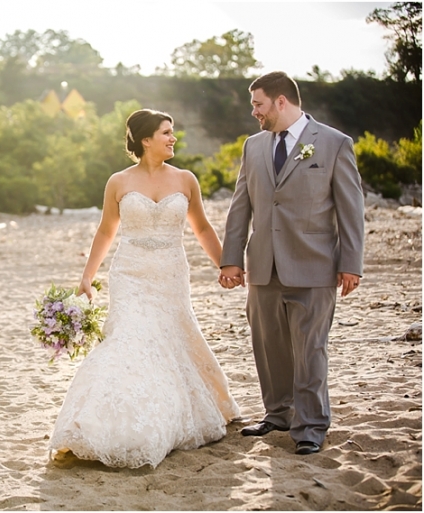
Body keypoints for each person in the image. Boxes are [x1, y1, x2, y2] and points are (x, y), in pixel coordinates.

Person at [48, 108, 240, 469]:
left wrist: (225, 265)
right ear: (145, 139)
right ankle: (102, 423)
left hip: (171, 274)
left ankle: (163, 417)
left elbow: (202, 228)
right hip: (130, 274)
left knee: (170, 339)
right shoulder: (118, 182)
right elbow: (107, 231)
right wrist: (87, 276)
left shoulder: (186, 180)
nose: (173, 138)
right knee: (128, 340)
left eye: (173, 132)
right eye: (166, 132)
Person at [219, 71, 365, 455]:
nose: (254, 112)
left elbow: (352, 210)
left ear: (281, 102)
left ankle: (311, 426)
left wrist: (352, 263)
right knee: (269, 348)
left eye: (258, 104)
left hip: (315, 266)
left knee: (310, 349)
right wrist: (231, 260)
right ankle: (278, 413)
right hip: (263, 266)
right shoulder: (253, 147)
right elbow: (240, 207)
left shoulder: (334, 144)